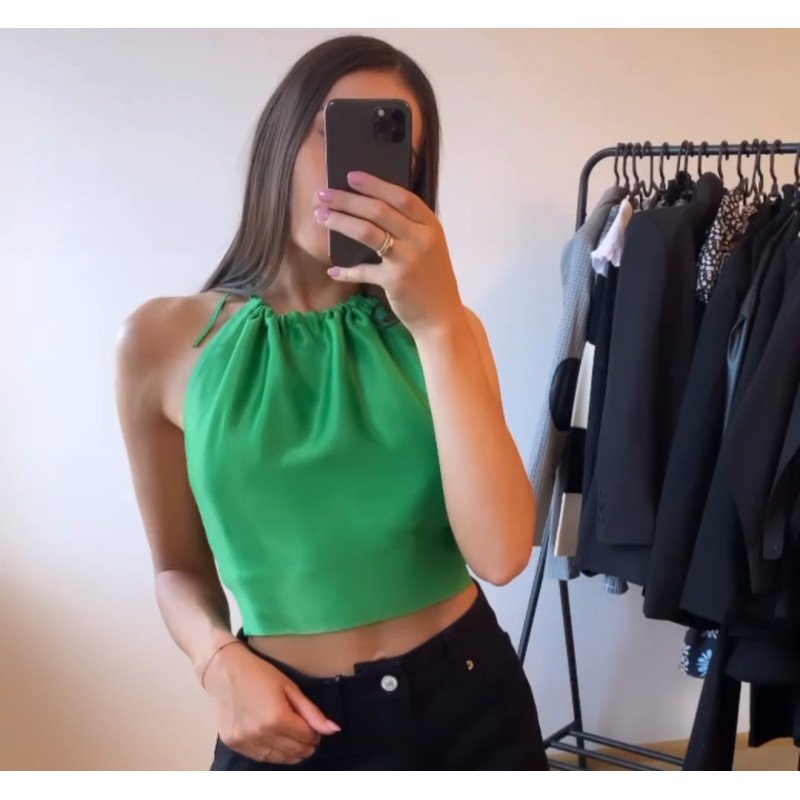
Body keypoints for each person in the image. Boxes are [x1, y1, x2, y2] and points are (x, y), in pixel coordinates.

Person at [114, 33, 548, 771]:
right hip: (288, 720)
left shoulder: (446, 331)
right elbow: (176, 570)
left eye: (390, 147)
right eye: (331, 132)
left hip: (472, 702)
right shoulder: (160, 343)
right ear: (280, 143)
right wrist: (216, 662)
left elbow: (502, 554)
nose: (356, 174)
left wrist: (438, 322)